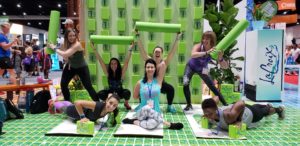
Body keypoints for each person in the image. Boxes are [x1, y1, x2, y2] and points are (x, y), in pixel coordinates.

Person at [122, 59, 183, 130]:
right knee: (147, 107)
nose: (150, 69)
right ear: (145, 68)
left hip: (155, 112)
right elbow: (135, 97)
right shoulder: (140, 82)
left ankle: (134, 121)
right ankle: (169, 124)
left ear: (155, 68)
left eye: (152, 67)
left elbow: (163, 65)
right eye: (148, 67)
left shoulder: (158, 80)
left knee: (152, 125)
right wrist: (143, 95)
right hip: (142, 112)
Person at [136, 31, 181, 113]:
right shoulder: (149, 60)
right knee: (142, 88)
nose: (157, 53)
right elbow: (142, 51)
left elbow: (172, 52)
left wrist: (177, 39)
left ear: (162, 54)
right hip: (148, 83)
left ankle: (170, 106)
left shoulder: (163, 63)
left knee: (171, 89)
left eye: (159, 52)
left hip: (159, 84)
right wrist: (137, 37)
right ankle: (142, 104)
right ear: (153, 54)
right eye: (155, 51)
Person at [183, 31, 228, 111]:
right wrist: (206, 52)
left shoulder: (215, 49)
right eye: (203, 38)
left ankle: (225, 104)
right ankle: (189, 105)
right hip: (191, 66)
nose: (204, 40)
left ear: (212, 40)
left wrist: (221, 58)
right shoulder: (198, 46)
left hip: (202, 69)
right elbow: (193, 54)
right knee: (185, 83)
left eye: (207, 39)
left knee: (212, 86)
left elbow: (225, 67)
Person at [48, 29, 97, 101]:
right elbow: (63, 53)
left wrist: (54, 48)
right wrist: (51, 45)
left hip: (82, 68)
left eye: (74, 35)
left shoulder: (77, 45)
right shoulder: (65, 44)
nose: (72, 37)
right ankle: (67, 102)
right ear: (66, 37)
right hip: (71, 67)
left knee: (88, 86)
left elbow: (65, 54)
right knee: (63, 85)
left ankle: (98, 104)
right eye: (70, 36)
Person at [91, 42, 133, 110]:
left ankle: (126, 103)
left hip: (119, 93)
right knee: (100, 93)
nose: (113, 65)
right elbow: (101, 61)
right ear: (110, 65)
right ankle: (106, 103)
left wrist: (131, 48)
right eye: (112, 64)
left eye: (115, 63)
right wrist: (94, 49)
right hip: (110, 93)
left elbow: (126, 62)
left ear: (118, 65)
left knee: (127, 92)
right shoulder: (108, 73)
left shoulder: (121, 73)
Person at [201, 98, 285, 131]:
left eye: (210, 114)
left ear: (215, 109)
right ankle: (267, 105)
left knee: (265, 112)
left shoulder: (228, 116)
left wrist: (238, 120)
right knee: (255, 106)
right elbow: (216, 98)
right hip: (236, 108)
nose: (208, 116)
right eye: (206, 114)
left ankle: (279, 110)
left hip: (249, 114)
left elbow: (241, 103)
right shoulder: (209, 115)